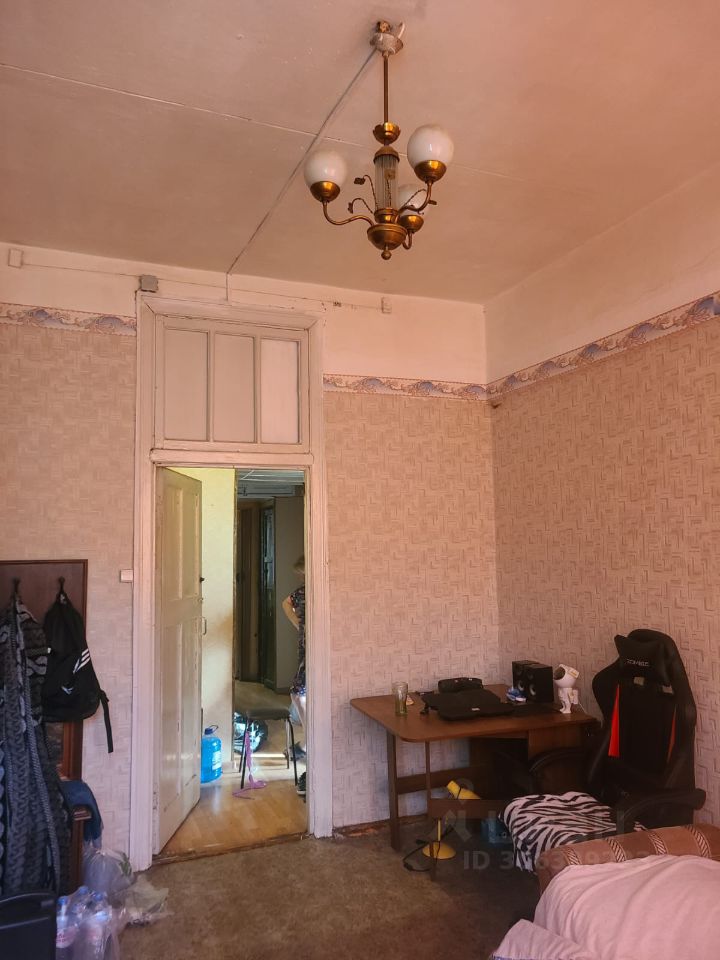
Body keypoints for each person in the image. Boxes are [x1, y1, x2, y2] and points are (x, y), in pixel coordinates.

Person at [282, 556, 306, 797]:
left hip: (315, 648)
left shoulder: (320, 590)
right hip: (305, 647)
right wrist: (297, 624)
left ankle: (307, 743)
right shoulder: (300, 593)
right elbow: (285, 604)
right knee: (299, 693)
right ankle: (307, 742)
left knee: (299, 692)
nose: (300, 578)